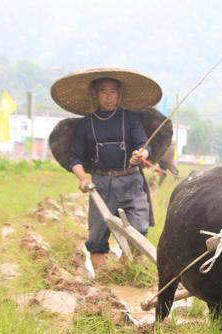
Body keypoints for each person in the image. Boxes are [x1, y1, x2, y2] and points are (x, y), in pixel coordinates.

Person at [50, 68, 163, 270]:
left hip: (131, 182)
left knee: (138, 233)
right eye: (104, 91)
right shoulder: (87, 124)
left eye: (113, 91)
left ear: (119, 94)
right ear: (96, 94)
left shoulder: (130, 119)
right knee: (97, 238)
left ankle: (127, 272)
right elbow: (74, 157)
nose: (109, 96)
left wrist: (141, 155)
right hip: (101, 185)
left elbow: (144, 145)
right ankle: (103, 285)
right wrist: (83, 178)